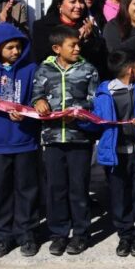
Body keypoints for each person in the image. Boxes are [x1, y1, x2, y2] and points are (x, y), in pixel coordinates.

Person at [32, 25, 99, 256]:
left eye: (79, 44)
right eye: (72, 45)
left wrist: (79, 112)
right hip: (52, 140)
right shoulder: (44, 69)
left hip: (79, 139)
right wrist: (39, 101)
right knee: (56, 188)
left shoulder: (88, 70)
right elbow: (36, 94)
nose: (77, 48)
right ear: (57, 48)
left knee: (78, 188)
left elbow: (94, 102)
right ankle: (59, 234)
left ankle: (81, 234)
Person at [0, 23, 39, 258]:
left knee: (26, 190)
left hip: (25, 140)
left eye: (18, 47)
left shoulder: (31, 69)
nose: (15, 51)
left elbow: (37, 99)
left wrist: (27, 111)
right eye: (10, 47)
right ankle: (1, 237)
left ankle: (27, 234)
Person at [91, 50, 135, 257]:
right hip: (116, 155)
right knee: (119, 196)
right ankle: (125, 235)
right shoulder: (104, 93)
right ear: (130, 69)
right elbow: (98, 120)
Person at [31, 0, 108, 77]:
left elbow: (101, 61)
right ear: (59, 4)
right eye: (73, 2)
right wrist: (74, 38)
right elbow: (41, 58)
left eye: (81, 1)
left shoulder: (89, 27)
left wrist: (89, 39)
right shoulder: (42, 26)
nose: (78, 6)